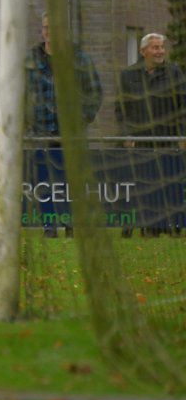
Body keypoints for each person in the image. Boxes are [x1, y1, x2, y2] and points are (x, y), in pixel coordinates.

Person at [25, 12, 102, 238]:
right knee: (43, 181)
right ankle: (48, 224)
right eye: (46, 27)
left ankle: (70, 224)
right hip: (41, 132)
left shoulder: (81, 59)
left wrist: (82, 119)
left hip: (72, 134)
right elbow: (20, 93)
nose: (50, 32)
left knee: (71, 180)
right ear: (42, 31)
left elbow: (94, 93)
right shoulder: (30, 59)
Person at [116, 32, 186, 237]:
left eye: (162, 47)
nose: (160, 51)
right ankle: (141, 227)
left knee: (168, 183)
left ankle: (168, 227)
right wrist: (126, 135)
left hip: (167, 139)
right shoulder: (128, 75)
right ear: (143, 51)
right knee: (142, 184)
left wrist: (182, 136)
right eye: (155, 47)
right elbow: (121, 109)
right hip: (140, 141)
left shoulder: (174, 73)